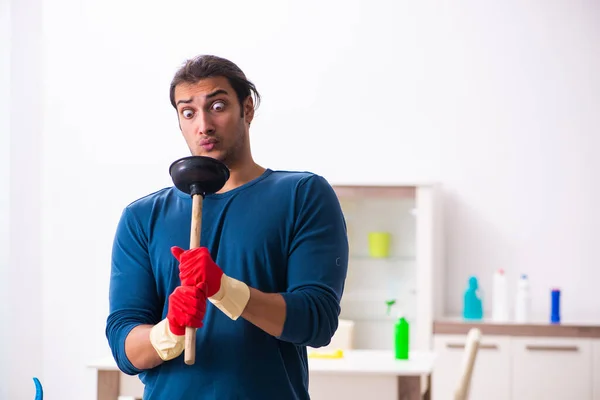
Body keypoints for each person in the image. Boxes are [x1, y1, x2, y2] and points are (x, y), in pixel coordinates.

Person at [105, 54, 349, 400]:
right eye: (188, 112)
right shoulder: (142, 216)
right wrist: (170, 330)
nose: (203, 125)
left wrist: (223, 289)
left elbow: (317, 321)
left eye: (217, 106)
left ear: (247, 109)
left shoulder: (302, 195)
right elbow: (125, 347)